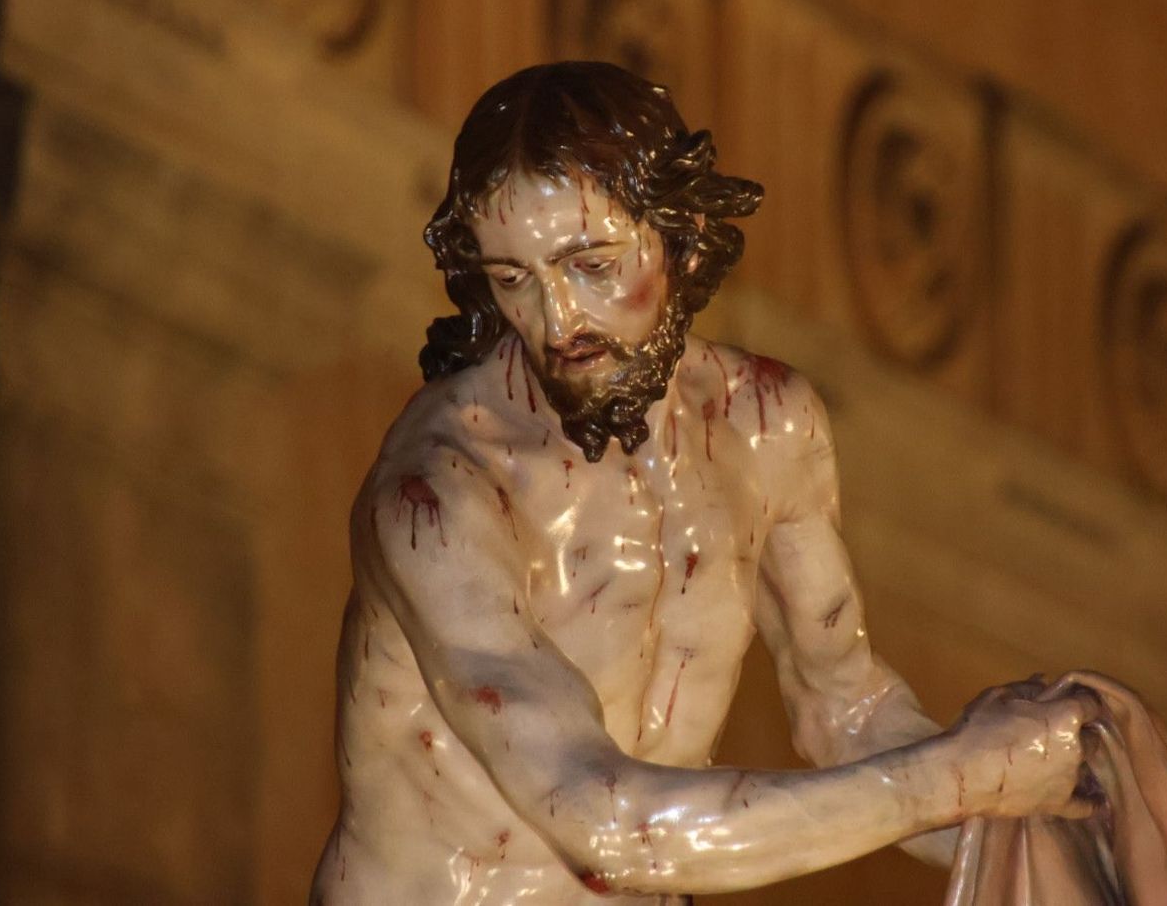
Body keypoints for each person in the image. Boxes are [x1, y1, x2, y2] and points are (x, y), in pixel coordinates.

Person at [311, 62, 1100, 905]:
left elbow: (849, 710)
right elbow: (604, 821)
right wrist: (962, 776)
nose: (556, 320)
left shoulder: (767, 426)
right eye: (514, 280)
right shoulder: (442, 495)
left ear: (678, 237)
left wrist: (1055, 812)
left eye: (591, 265)